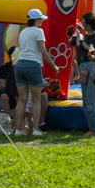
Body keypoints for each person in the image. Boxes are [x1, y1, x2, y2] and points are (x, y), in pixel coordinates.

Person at [13, 8, 58, 137]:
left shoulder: (22, 32)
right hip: (32, 64)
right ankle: (36, 130)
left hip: (20, 64)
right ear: (36, 20)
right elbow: (42, 50)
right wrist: (54, 66)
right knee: (36, 100)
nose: (41, 22)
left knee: (22, 100)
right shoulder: (39, 31)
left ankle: (18, 130)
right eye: (40, 20)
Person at [72, 13, 95, 136]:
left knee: (91, 100)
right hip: (83, 67)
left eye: (84, 23)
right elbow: (71, 41)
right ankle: (92, 127)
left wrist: (86, 46)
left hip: (92, 66)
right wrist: (77, 30)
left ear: (89, 24)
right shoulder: (82, 37)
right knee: (85, 101)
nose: (83, 24)